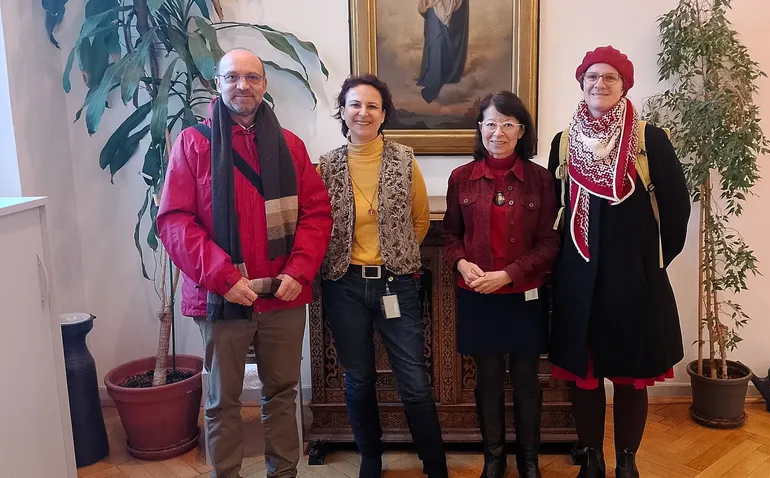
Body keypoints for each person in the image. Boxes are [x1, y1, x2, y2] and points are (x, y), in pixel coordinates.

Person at [157, 49, 332, 478]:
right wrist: (224, 278)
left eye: (252, 77)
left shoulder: (291, 145)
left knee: (283, 394)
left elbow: (316, 213)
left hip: (283, 295)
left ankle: (283, 473)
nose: (243, 85)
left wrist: (299, 272)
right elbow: (175, 221)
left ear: (264, 85)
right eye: (233, 77)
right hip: (222, 298)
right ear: (217, 83)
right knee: (222, 401)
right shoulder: (193, 144)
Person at [547, 46, 691, 478]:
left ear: (624, 85)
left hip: (634, 282)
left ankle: (627, 460)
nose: (600, 84)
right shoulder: (563, 142)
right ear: (581, 83)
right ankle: (592, 457)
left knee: (631, 375)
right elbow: (556, 209)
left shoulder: (649, 140)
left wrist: (652, 264)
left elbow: (677, 209)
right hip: (580, 282)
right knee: (585, 377)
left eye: (610, 77)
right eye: (592, 77)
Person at [317, 74, 448, 478]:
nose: (363, 112)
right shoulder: (326, 165)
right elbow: (316, 223)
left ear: (384, 113)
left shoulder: (403, 160)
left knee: (414, 381)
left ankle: (435, 463)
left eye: (372, 105)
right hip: (344, 284)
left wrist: (395, 254)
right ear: (343, 111)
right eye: (355, 104)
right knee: (358, 379)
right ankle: (370, 457)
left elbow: (420, 220)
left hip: (396, 283)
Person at [442, 91, 560, 478]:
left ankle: (529, 460)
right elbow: (451, 236)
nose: (498, 132)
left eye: (508, 124)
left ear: (521, 130)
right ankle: (494, 459)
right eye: (491, 123)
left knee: (527, 381)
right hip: (478, 296)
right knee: (488, 381)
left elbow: (549, 243)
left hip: (525, 296)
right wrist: (461, 263)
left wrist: (509, 274)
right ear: (480, 128)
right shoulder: (461, 178)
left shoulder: (540, 179)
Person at [417, 0, 469, 103]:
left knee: (439, 42)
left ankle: (439, 77)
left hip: (449, 7)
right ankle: (433, 75)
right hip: (434, 10)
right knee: (435, 41)